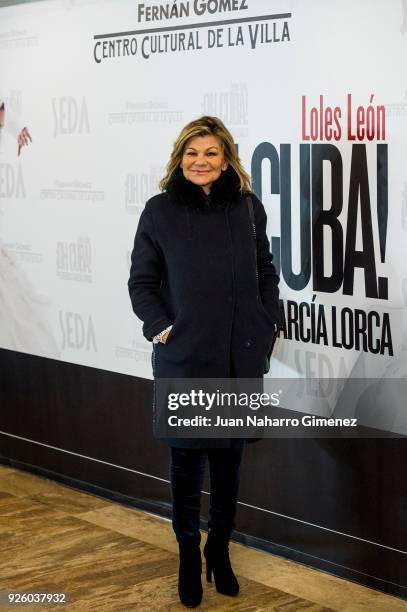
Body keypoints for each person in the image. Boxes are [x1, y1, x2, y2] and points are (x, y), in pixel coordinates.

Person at [128, 116, 282, 607]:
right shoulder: (159, 211)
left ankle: (220, 550)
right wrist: (162, 328)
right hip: (185, 358)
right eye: (192, 153)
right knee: (187, 463)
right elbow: (142, 283)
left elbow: (266, 272)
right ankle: (187, 557)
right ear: (179, 158)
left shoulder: (247, 208)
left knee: (229, 461)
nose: (201, 162)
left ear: (226, 159)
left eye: (211, 153)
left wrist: (267, 323)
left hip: (238, 357)